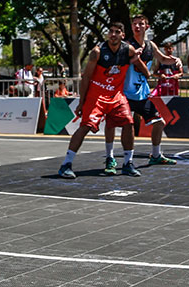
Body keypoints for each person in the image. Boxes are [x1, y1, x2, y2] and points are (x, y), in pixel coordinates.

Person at [57, 22, 150, 179]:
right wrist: (82, 102)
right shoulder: (97, 52)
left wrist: (146, 72)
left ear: (122, 35)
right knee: (85, 127)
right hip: (97, 96)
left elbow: (137, 62)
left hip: (116, 96)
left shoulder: (128, 50)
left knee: (128, 123)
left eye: (117, 32)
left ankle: (128, 163)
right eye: (111, 31)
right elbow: (86, 77)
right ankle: (66, 164)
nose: (113, 34)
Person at [118, 15, 182, 168]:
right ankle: (121, 159)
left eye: (141, 24)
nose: (137, 26)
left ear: (147, 26)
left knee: (160, 123)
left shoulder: (150, 45)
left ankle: (155, 155)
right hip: (125, 93)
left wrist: (176, 60)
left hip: (141, 93)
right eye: (134, 24)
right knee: (127, 126)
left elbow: (164, 59)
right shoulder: (127, 45)